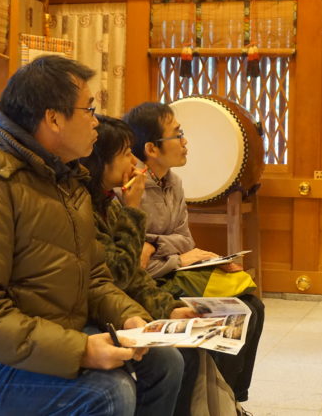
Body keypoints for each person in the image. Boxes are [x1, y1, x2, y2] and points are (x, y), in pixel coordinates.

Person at [0, 56, 184, 416]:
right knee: (109, 393)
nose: (96, 121)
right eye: (89, 109)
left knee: (165, 361)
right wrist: (82, 350)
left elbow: (94, 277)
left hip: (39, 340)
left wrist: (130, 317)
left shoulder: (66, 183)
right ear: (53, 118)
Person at [81, 114, 236, 416]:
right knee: (173, 359)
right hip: (98, 310)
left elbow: (179, 243)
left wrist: (169, 309)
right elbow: (120, 275)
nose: (134, 163)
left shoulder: (115, 201)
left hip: (129, 296)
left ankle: (233, 401)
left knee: (235, 314)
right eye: (126, 154)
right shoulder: (101, 205)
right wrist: (133, 210)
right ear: (101, 161)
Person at [123, 102, 264, 407]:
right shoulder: (130, 187)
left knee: (252, 305)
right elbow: (136, 264)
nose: (186, 141)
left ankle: (231, 399)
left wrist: (158, 245)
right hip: (154, 285)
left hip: (173, 272)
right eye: (178, 134)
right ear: (152, 148)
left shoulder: (173, 182)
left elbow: (185, 241)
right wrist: (174, 257)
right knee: (233, 311)